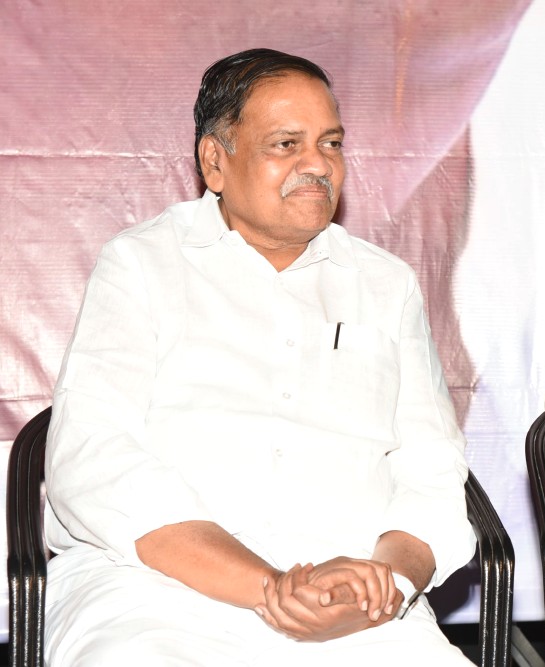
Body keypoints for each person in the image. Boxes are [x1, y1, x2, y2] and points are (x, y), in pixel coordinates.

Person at [43, 48, 476, 666]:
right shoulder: (141, 264)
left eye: (330, 144)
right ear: (214, 161)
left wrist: (389, 584)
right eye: (286, 144)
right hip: (156, 595)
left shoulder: (387, 284)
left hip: (357, 603)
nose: (317, 165)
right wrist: (270, 587)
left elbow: (431, 472)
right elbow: (93, 458)